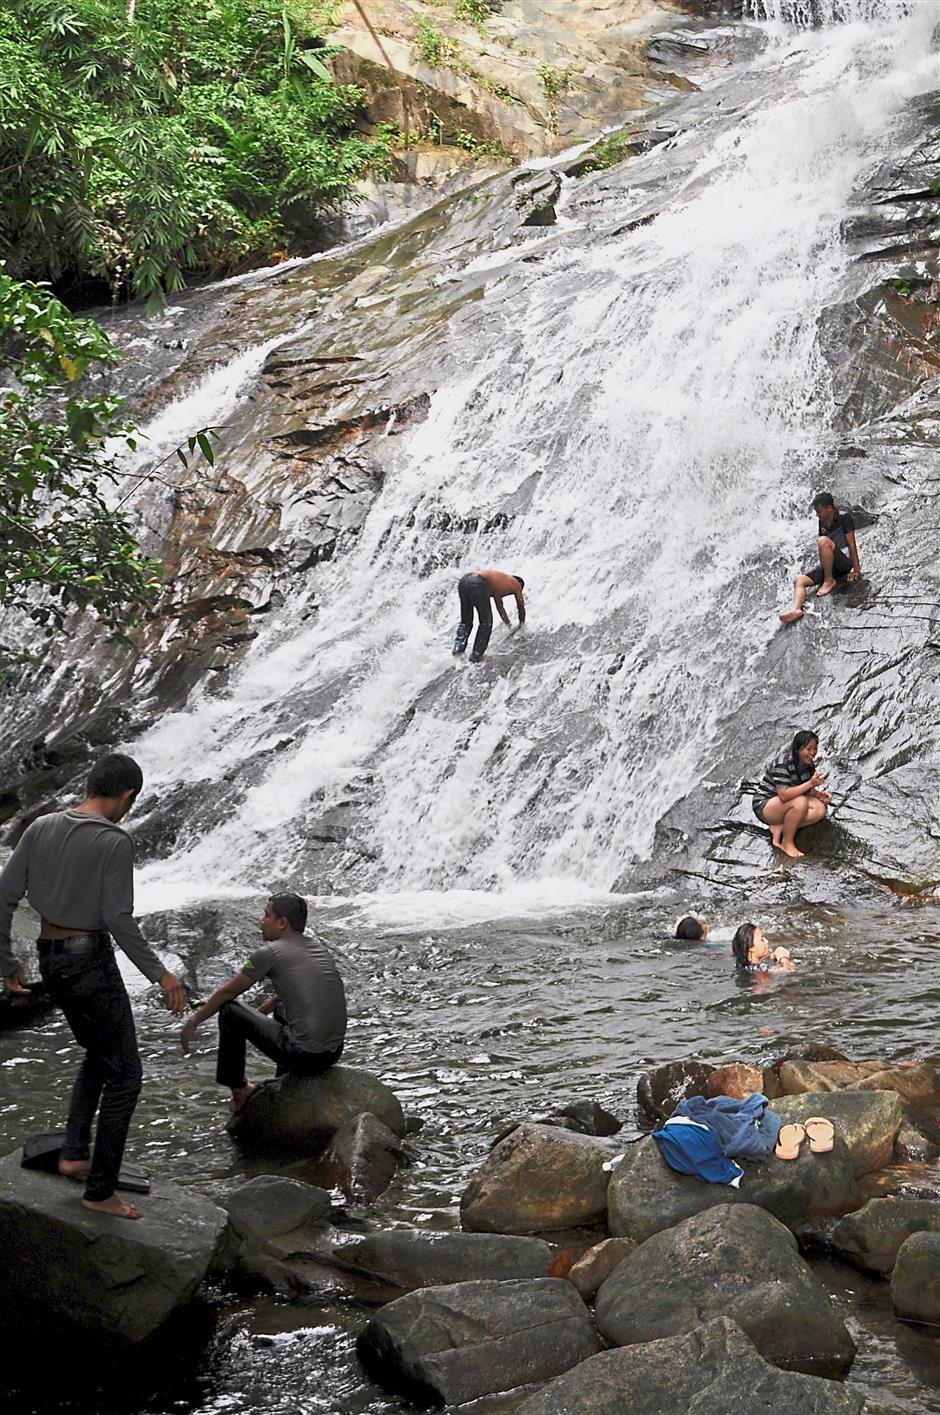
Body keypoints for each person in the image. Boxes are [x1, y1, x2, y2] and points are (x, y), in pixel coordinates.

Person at [0, 753, 188, 1221]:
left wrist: (5, 961)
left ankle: (74, 1155)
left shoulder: (41, 826)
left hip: (50, 955)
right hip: (90, 961)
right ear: (127, 796)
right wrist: (161, 975)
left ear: (90, 785)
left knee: (97, 1055)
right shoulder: (114, 842)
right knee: (126, 1074)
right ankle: (99, 1191)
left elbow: (4, 896)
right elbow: (117, 918)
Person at [180, 892, 346, 1113]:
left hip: (304, 1055)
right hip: (333, 1053)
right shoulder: (317, 948)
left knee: (229, 1011)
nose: (261, 920)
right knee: (280, 1009)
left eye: (266, 915)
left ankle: (240, 1091)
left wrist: (194, 1021)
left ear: (281, 923)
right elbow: (291, 995)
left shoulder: (270, 953)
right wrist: (259, 1014)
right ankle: (285, 1080)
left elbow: (227, 992)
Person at [780, 492, 862, 623]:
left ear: (829, 508)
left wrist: (856, 570)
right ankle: (796, 610)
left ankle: (829, 580)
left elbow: (852, 544)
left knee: (823, 541)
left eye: (819, 511)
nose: (817, 514)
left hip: (843, 563)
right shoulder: (822, 522)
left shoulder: (844, 517)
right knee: (799, 581)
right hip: (829, 564)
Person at [751, 729, 830, 859]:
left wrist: (820, 795)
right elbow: (784, 795)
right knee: (800, 802)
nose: (812, 753)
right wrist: (811, 783)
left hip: (785, 805)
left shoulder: (807, 764)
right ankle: (786, 842)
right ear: (797, 749)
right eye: (808, 749)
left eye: (815, 748)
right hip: (765, 805)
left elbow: (805, 789)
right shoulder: (782, 763)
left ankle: (780, 826)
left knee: (820, 809)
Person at [452, 569, 525, 663]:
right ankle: (476, 656)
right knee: (486, 622)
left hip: (464, 581)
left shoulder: (500, 584)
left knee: (466, 620)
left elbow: (500, 608)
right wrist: (522, 625)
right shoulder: (516, 584)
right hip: (477, 582)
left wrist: (509, 625)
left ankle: (458, 649)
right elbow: (521, 606)